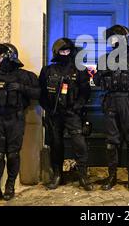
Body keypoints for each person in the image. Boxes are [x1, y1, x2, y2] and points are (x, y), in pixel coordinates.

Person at [0, 43, 40, 203]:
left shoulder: (26, 76)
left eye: (0, 56)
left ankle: (10, 185)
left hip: (15, 118)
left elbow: (39, 93)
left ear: (10, 56)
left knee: (13, 154)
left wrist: (22, 88)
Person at [93, 25, 129, 190]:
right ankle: (112, 177)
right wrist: (102, 72)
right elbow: (96, 81)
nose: (112, 41)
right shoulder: (104, 59)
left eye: (116, 38)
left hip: (128, 101)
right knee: (111, 142)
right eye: (111, 38)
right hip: (110, 101)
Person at [39, 38, 93, 191]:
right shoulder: (48, 70)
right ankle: (57, 175)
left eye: (67, 51)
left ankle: (83, 175)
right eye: (62, 51)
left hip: (72, 114)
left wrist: (77, 107)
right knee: (56, 144)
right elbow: (41, 92)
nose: (65, 53)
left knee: (79, 143)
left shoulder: (79, 70)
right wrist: (48, 109)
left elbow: (85, 92)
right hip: (54, 114)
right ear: (57, 52)